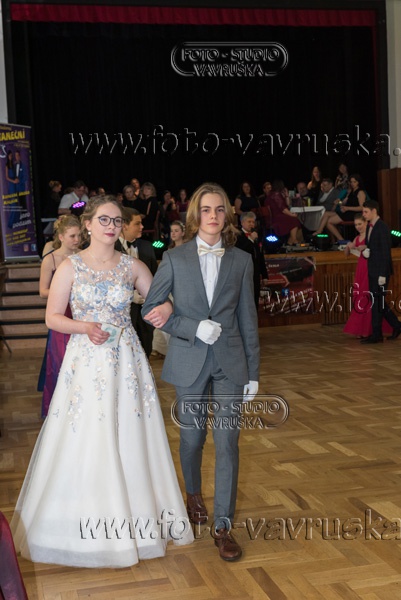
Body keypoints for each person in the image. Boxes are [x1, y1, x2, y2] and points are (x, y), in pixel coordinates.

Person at [11, 195, 194, 568]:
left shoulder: (132, 266)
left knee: (130, 433)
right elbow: (52, 317)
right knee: (86, 433)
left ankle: (138, 523)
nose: (111, 226)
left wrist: (164, 308)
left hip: (126, 361)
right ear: (88, 225)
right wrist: (85, 327)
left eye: (116, 221)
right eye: (104, 220)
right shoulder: (70, 266)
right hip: (85, 360)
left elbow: (162, 299)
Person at [142, 182, 260, 562]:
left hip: (231, 363)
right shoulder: (174, 258)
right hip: (189, 360)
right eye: (207, 209)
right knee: (193, 440)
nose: (213, 215)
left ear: (227, 215)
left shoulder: (242, 260)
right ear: (196, 215)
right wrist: (193, 327)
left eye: (219, 209)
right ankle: (193, 493)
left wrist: (253, 372)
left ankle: (223, 527)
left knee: (227, 444)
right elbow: (150, 308)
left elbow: (248, 318)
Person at [37, 215, 81, 417]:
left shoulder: (83, 256)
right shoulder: (51, 259)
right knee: (61, 361)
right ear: (61, 237)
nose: (77, 240)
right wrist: (65, 292)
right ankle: (60, 410)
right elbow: (42, 291)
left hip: (81, 313)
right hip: (62, 313)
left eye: (79, 236)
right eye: (72, 236)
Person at [115, 207, 158, 357]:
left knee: (145, 351)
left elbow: (154, 276)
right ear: (124, 225)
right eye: (137, 223)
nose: (142, 227)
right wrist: (129, 295)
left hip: (145, 313)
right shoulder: (110, 248)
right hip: (122, 314)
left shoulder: (147, 247)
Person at [343, 214, 392, 339]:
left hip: (369, 268)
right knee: (360, 297)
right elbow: (347, 253)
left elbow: (377, 250)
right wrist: (348, 246)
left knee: (368, 298)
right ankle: (362, 329)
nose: (358, 227)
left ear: (366, 223)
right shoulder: (357, 238)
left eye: (360, 224)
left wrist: (365, 247)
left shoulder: (370, 236)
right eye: (356, 225)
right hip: (361, 269)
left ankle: (370, 330)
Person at [360, 199, 401, 344]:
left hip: (380, 272)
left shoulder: (382, 228)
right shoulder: (370, 227)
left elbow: (385, 253)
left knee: (377, 303)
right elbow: (373, 247)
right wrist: (367, 252)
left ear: (374, 211)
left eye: (366, 212)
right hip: (373, 269)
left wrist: (383, 274)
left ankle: (377, 334)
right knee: (378, 302)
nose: (363, 214)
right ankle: (396, 326)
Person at [312, 174, 366, 242]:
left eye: (354, 182)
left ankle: (339, 239)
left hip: (354, 213)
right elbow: (344, 203)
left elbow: (362, 207)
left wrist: (348, 208)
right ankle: (320, 230)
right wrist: (339, 202)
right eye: (351, 182)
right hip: (347, 211)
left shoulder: (360, 192)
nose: (352, 183)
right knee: (325, 214)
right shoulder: (351, 192)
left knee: (329, 222)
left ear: (358, 182)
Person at [236, 211, 268, 309]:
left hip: (255, 273)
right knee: (245, 298)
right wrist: (251, 240)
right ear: (242, 223)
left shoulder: (256, 235)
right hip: (243, 273)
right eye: (249, 222)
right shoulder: (237, 236)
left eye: (253, 222)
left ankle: (254, 317)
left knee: (255, 297)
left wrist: (264, 275)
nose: (252, 224)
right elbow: (242, 251)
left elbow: (260, 256)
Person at [265, 180, 300, 245]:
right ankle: (294, 240)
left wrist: (286, 195)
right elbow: (283, 209)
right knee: (294, 220)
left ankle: (291, 241)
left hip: (277, 216)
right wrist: (292, 215)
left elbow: (287, 204)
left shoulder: (274, 194)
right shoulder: (276, 195)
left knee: (294, 220)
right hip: (276, 217)